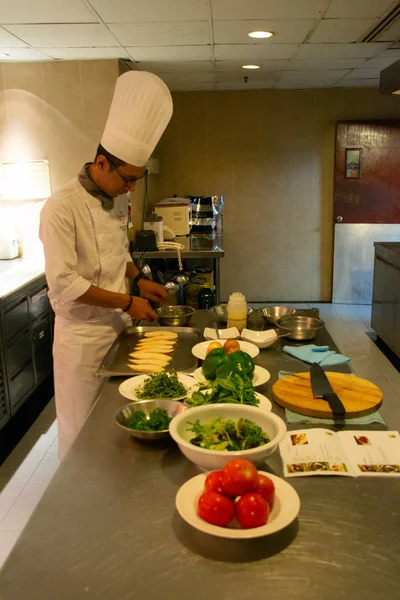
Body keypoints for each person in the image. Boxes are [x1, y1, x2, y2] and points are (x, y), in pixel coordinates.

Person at [40, 71, 173, 460]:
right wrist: (127, 302)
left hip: (118, 329)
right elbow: (64, 284)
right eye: (128, 179)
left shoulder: (114, 200)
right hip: (81, 341)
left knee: (121, 428)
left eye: (136, 180)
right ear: (102, 162)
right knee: (81, 435)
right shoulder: (60, 209)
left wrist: (139, 279)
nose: (131, 188)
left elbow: (117, 252)